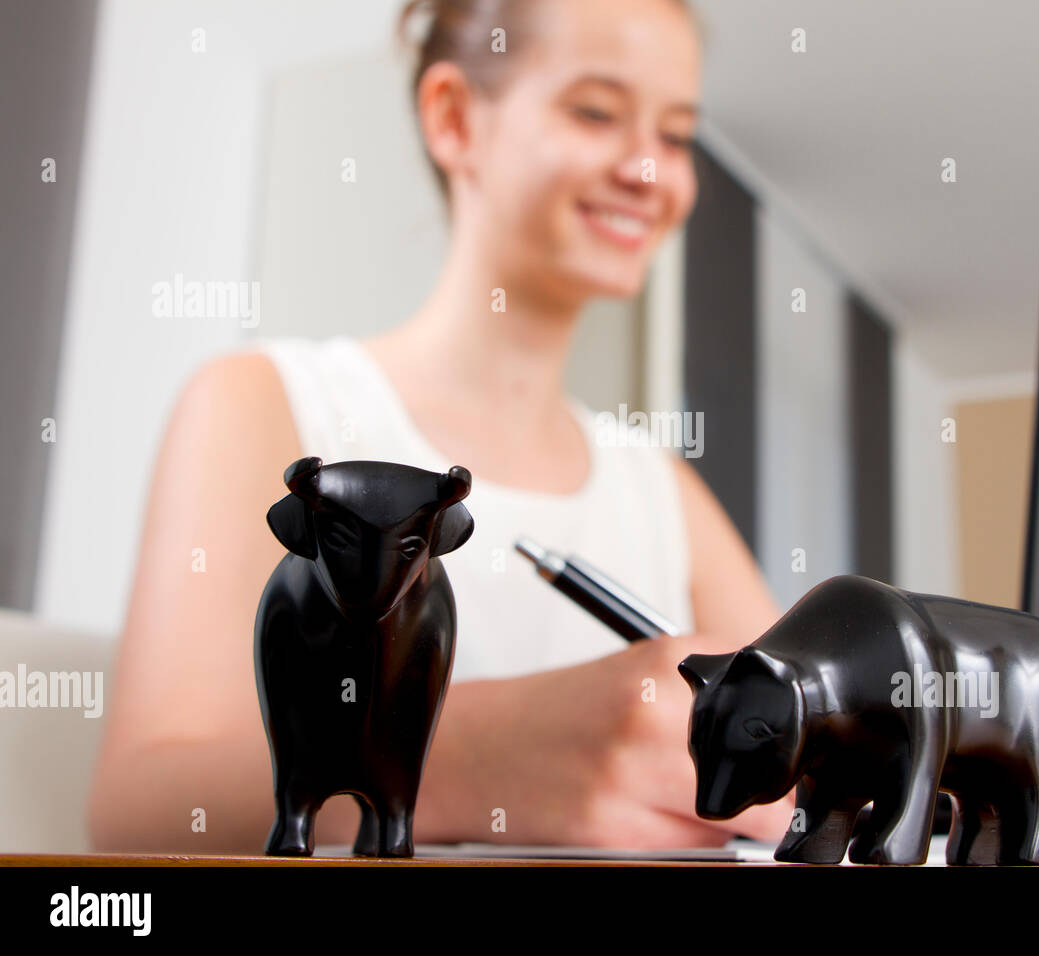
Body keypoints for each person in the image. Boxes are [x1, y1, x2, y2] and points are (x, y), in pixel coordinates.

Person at [88, 0, 791, 853]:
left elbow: (803, 742)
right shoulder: (260, 401)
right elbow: (140, 805)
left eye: (677, 134)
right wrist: (483, 758)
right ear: (455, 119)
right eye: (596, 112)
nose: (650, 170)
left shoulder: (664, 489)